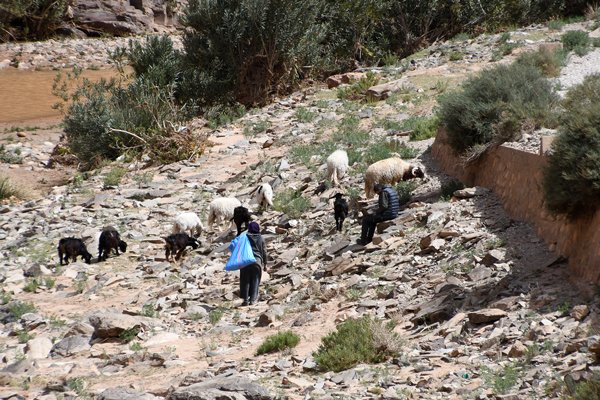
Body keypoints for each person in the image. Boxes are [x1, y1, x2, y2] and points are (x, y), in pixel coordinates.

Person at [240, 221, 268, 306]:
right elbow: (264, 252)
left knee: (245, 281)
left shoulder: (244, 238)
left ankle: (245, 300)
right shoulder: (261, 238)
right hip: (257, 262)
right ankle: (252, 300)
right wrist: (265, 264)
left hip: (245, 262)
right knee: (255, 280)